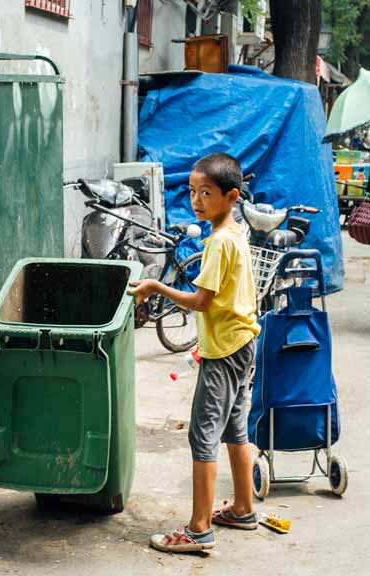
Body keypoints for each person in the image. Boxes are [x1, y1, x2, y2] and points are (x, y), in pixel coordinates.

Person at [128, 152, 261, 553]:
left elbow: (201, 300)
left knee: (203, 437)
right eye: (191, 192)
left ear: (232, 196)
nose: (196, 200)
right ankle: (242, 507)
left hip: (224, 352)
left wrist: (156, 288)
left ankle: (198, 529)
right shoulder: (235, 232)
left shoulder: (220, 243)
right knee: (235, 428)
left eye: (206, 193)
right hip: (242, 342)